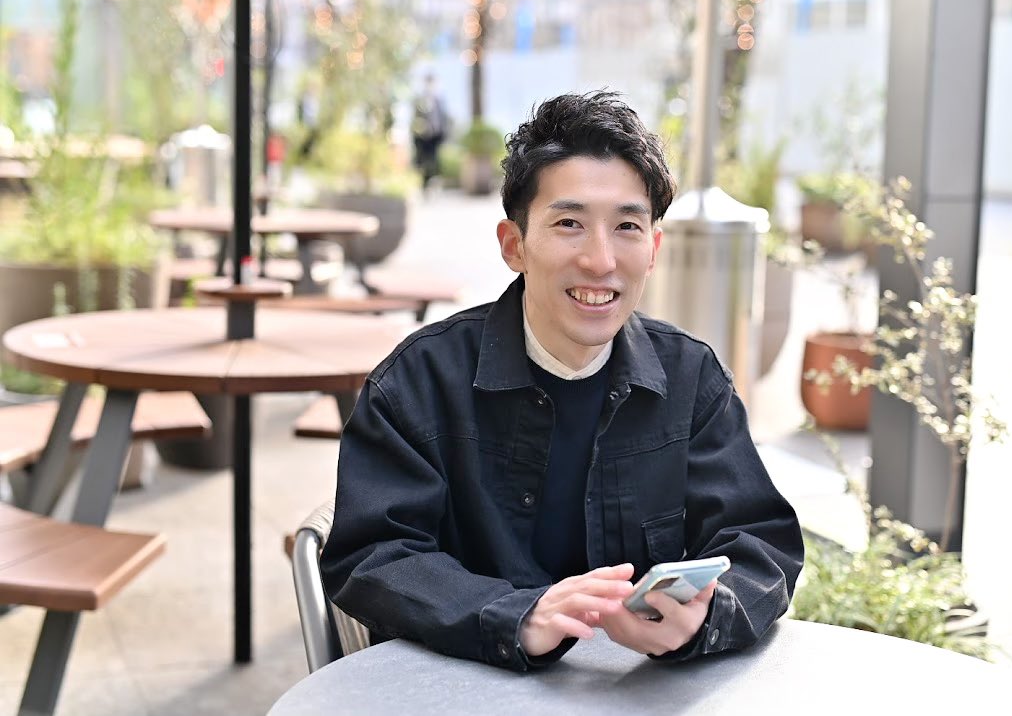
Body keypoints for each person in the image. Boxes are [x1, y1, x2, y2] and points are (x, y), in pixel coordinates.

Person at [321, 91, 803, 670]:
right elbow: (372, 556)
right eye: (569, 223)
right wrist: (513, 615)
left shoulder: (691, 379)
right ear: (514, 245)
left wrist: (704, 618)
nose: (601, 261)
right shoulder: (419, 383)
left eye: (627, 226)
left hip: (632, 697)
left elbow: (760, 543)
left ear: (653, 249)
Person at [410, 75, 449, 190]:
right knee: (423, 160)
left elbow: (443, 118)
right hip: (423, 137)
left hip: (436, 136)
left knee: (435, 159)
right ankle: (424, 183)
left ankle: (434, 181)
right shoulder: (420, 99)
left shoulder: (439, 100)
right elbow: (416, 118)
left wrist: (443, 132)